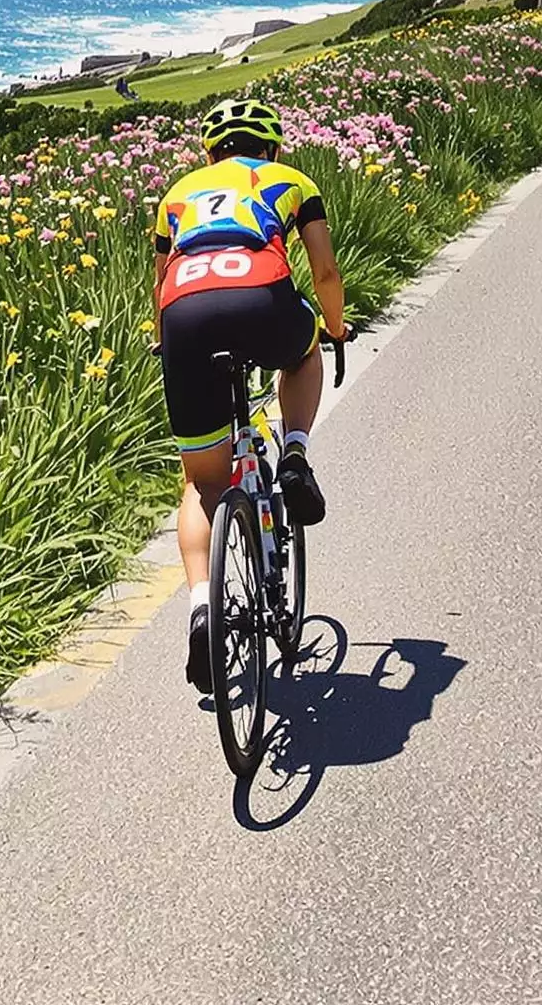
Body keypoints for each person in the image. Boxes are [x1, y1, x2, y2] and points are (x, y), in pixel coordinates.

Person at [155, 97, 347, 693]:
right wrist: (335, 328)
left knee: (202, 484)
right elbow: (324, 273)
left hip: (183, 313)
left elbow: (159, 284)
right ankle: (294, 454)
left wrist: (169, 345)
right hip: (261, 297)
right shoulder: (292, 179)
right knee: (305, 351)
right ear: (272, 147)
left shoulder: (176, 194)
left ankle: (203, 608)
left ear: (210, 153)